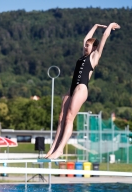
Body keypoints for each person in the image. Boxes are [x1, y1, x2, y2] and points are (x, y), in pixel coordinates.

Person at [45, 22, 120, 159]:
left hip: (81, 88)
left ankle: (60, 149)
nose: (85, 46)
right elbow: (86, 39)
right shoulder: (82, 57)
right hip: (72, 88)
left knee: (69, 118)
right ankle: (54, 147)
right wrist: (96, 26)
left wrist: (109, 27)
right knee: (61, 117)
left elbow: (103, 38)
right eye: (85, 45)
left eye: (88, 45)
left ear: (94, 47)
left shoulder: (94, 57)